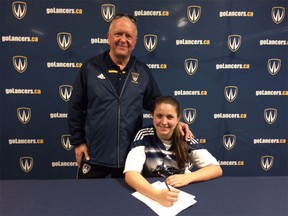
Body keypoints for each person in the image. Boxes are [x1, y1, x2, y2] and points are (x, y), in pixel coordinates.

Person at [68, 13, 193, 179]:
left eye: (129, 36)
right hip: (94, 155)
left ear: (134, 42)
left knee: (125, 204)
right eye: (118, 34)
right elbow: (75, 108)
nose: (123, 40)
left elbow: (158, 105)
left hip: (130, 157)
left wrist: (176, 123)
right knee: (88, 202)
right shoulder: (90, 68)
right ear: (108, 37)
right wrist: (78, 142)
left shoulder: (141, 71)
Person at [124, 96, 223, 207]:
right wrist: (157, 195)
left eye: (170, 117)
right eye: (159, 116)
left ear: (178, 118)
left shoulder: (185, 137)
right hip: (150, 191)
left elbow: (216, 169)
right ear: (152, 116)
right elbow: (130, 174)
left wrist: (188, 178)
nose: (164, 122)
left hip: (181, 193)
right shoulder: (143, 135)